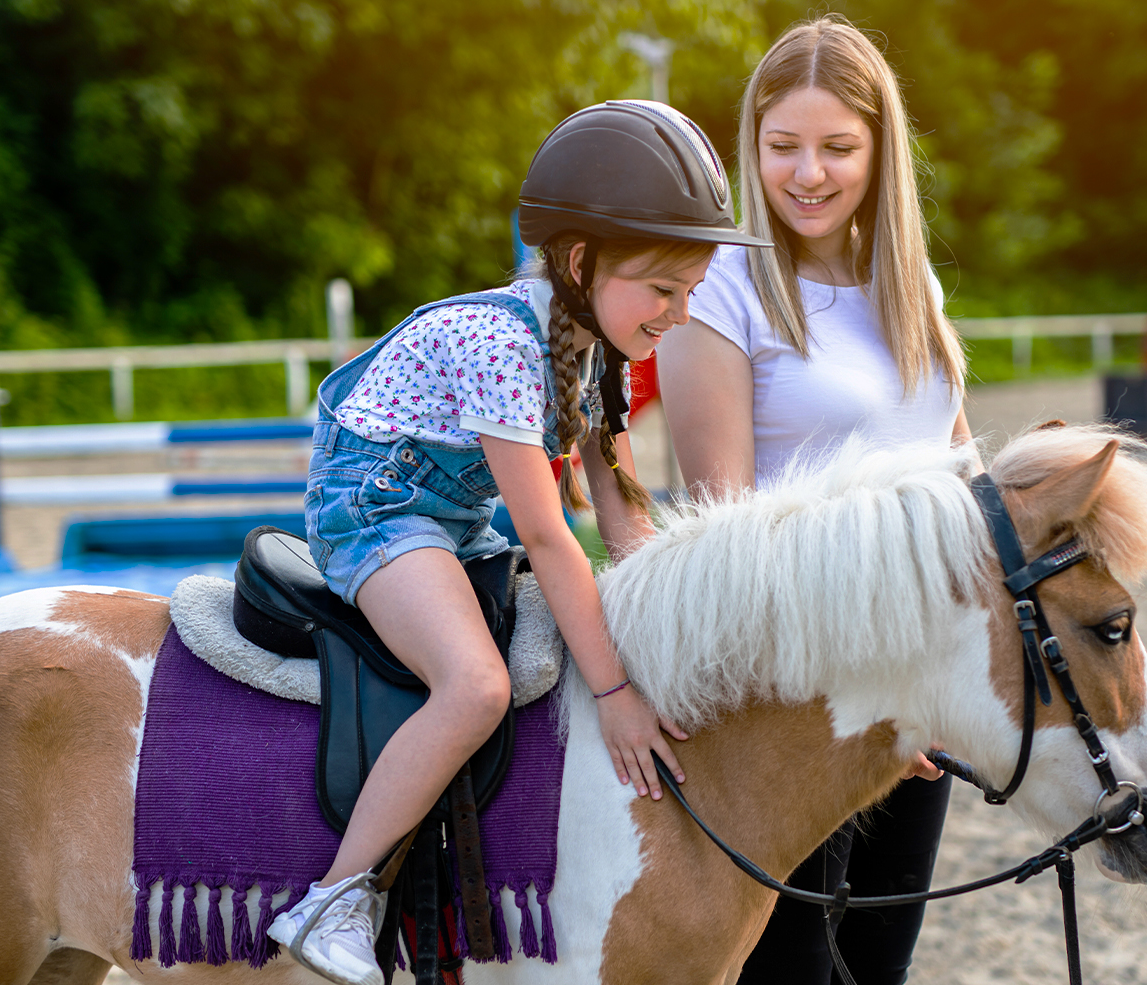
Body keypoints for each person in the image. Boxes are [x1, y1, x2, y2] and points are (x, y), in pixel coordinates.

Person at [267, 100, 770, 985]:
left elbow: (621, 509)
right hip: (375, 510)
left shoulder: (598, 347)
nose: (680, 314)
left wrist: (666, 621)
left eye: (692, 291)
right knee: (476, 685)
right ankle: (336, 896)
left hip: (451, 519)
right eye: (664, 289)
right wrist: (615, 692)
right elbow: (545, 530)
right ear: (580, 263)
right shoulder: (500, 343)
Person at [657, 15, 971, 985]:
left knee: (877, 970)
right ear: (751, 147)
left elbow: (960, 485)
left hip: (918, 693)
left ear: (879, 152)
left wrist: (949, 683)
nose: (807, 173)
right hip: (793, 705)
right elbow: (731, 536)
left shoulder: (907, 286)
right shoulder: (722, 291)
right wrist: (869, 698)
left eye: (837, 147)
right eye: (782, 144)